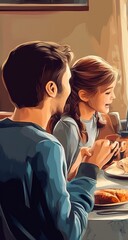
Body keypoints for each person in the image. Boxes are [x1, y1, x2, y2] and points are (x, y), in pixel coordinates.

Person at [0, 41, 118, 239]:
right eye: (68, 81)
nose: (71, 90)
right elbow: (69, 232)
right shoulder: (46, 146)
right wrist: (89, 171)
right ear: (52, 88)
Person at [50, 55, 119, 179]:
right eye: (108, 92)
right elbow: (62, 178)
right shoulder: (68, 127)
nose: (113, 97)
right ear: (84, 95)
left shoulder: (94, 119)